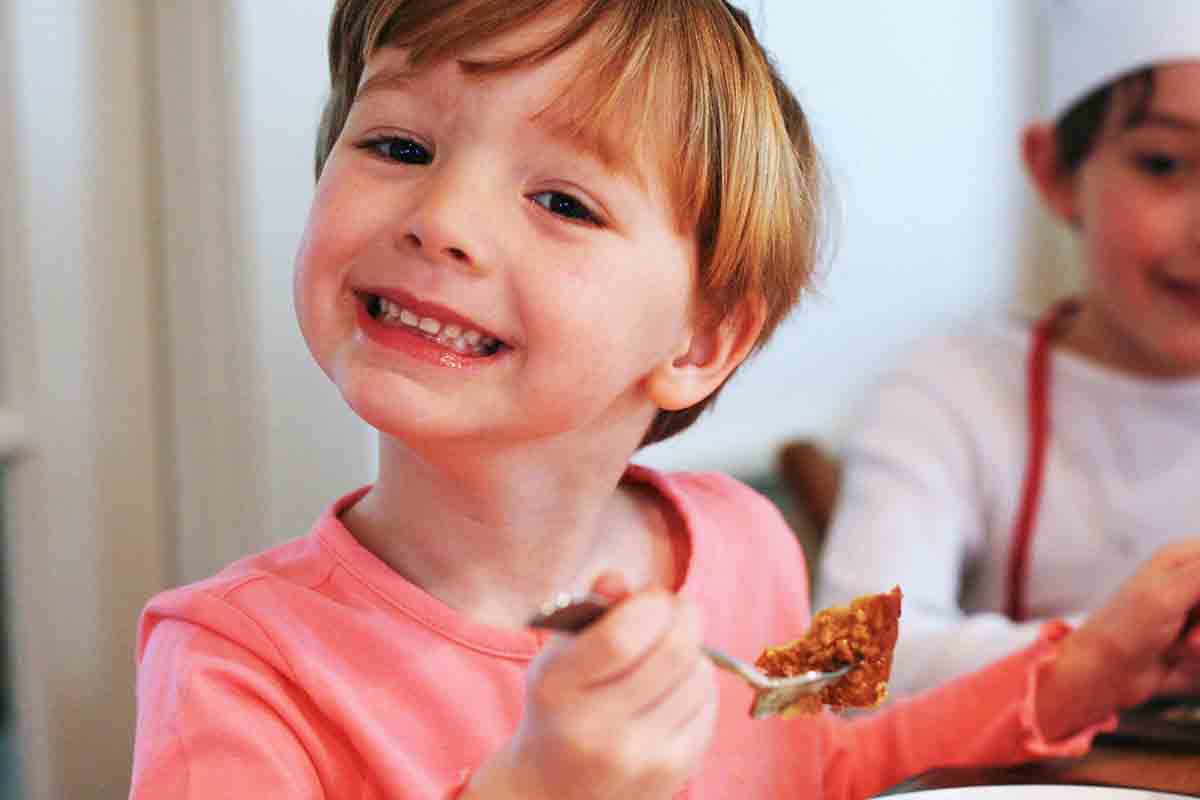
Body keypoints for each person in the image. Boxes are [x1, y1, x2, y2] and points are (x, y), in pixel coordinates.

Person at [129, 1, 1200, 798]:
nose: (441, 218)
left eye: (562, 201)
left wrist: (1084, 668)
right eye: (399, 145)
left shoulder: (742, 541)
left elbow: (826, 757)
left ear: (700, 342)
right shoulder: (235, 660)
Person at [818, 0, 1200, 700]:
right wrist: (1115, 648)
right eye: (1163, 163)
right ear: (1055, 171)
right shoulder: (951, 395)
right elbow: (850, 666)